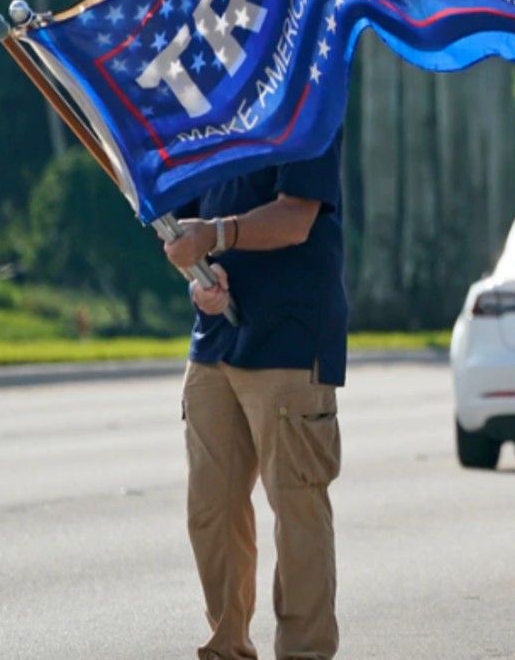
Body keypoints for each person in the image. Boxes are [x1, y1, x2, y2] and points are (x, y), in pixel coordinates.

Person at [162, 133, 348, 660]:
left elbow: (296, 218)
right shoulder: (213, 104)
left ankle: (304, 652)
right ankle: (226, 648)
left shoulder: (306, 92)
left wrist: (215, 235)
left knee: (297, 510)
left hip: (292, 332)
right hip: (216, 336)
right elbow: (183, 230)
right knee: (210, 510)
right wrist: (196, 279)